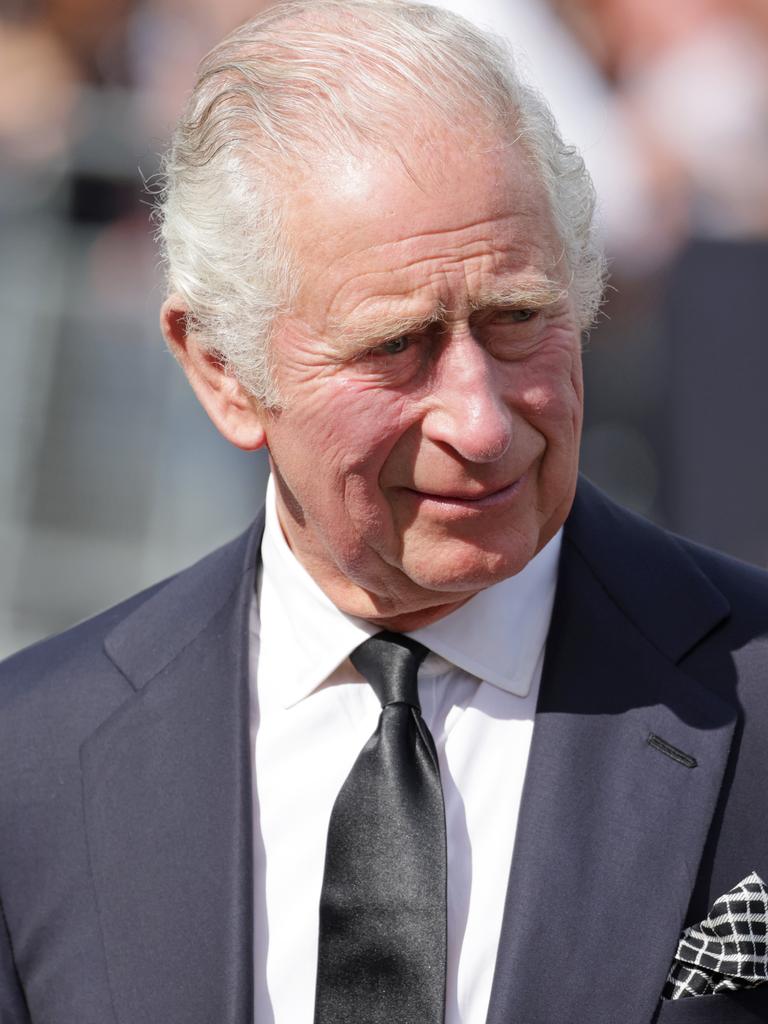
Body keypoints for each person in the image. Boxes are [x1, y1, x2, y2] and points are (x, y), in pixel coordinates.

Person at [1, 1, 767, 1021]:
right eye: (396, 346)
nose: (483, 423)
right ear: (223, 370)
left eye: (518, 319)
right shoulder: (34, 762)